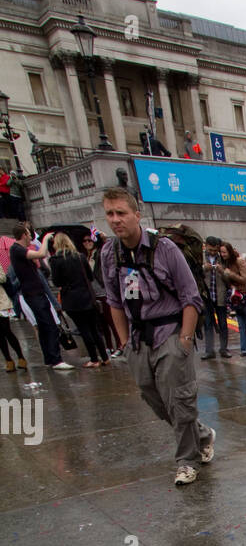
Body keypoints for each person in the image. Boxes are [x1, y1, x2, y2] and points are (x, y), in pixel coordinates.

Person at [101, 187, 212, 487]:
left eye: (121, 213)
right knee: (153, 396)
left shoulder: (165, 249)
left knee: (179, 400)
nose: (115, 220)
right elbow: (114, 301)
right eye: (110, 214)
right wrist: (124, 343)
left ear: (137, 215)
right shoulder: (109, 253)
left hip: (170, 333)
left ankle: (187, 461)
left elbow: (191, 297)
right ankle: (202, 434)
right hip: (138, 339)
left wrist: (184, 341)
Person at [9, 224, 70, 369]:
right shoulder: (17, 249)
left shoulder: (18, 250)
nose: (31, 237)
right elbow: (41, 254)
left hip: (35, 292)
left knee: (44, 327)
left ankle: (50, 358)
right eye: (29, 235)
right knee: (50, 326)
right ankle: (56, 359)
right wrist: (45, 239)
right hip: (33, 294)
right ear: (23, 235)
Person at [49, 232, 109, 366]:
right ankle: (105, 357)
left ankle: (94, 359)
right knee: (94, 328)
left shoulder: (55, 260)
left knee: (84, 329)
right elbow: (90, 276)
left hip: (71, 299)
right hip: (87, 295)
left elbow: (57, 281)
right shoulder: (80, 257)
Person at [218, 241, 246, 355]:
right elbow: (228, 280)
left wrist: (229, 274)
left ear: (229, 251)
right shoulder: (226, 264)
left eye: (224, 252)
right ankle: (244, 349)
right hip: (236, 296)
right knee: (240, 324)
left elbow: (245, 279)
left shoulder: (239, 261)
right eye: (221, 252)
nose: (223, 254)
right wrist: (223, 273)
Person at [201, 236, 231, 359]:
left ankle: (223, 349)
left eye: (215, 250)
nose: (213, 252)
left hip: (220, 295)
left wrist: (222, 271)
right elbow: (193, 273)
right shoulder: (200, 256)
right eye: (211, 250)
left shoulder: (223, 258)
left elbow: (229, 278)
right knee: (207, 323)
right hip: (206, 295)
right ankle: (209, 350)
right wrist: (204, 268)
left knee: (223, 323)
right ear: (206, 246)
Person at [0, 264, 27, 370]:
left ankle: (21, 357)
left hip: (1, 303)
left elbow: (3, 277)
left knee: (7, 330)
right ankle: (8, 360)